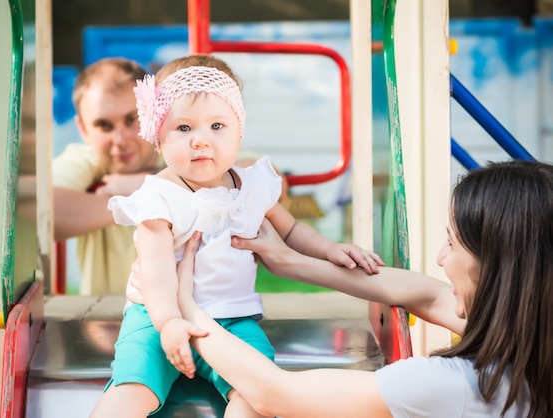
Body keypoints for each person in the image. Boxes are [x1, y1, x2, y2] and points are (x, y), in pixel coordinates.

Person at [90, 56, 384, 417]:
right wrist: (169, 324)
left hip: (233, 319)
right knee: (134, 389)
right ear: (157, 136)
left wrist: (330, 249)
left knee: (259, 395)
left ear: (239, 131)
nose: (201, 140)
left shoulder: (253, 184)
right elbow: (156, 272)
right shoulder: (158, 198)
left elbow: (291, 230)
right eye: (184, 129)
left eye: (217, 125)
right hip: (156, 318)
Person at [173, 159, 553, 417]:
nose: (440, 258)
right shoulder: (536, 345)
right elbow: (424, 294)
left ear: (502, 266)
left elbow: (274, 393)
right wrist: (291, 261)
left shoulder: (460, 385)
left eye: (453, 243)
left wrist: (185, 307)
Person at [50, 56, 286, 295]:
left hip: (206, 310)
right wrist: (146, 200)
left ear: (151, 115)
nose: (120, 140)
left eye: (132, 119)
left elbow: (272, 180)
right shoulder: (87, 159)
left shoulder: (187, 151)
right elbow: (47, 214)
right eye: (104, 125)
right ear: (83, 129)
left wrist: (146, 187)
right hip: (112, 315)